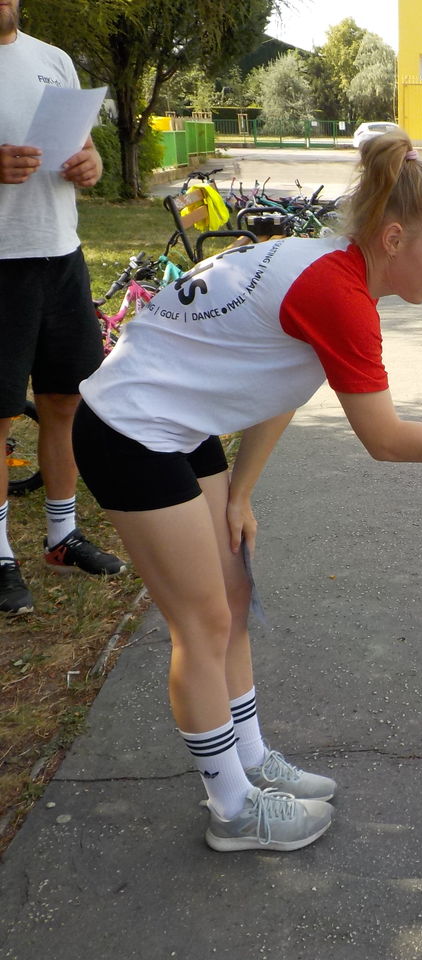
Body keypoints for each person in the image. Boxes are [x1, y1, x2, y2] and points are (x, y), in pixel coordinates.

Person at [72, 130, 422, 853]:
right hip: (130, 430)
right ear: (393, 237)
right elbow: (386, 439)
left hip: (181, 423)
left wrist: (241, 492)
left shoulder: (331, 267)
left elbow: (281, 382)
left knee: (234, 596)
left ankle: (249, 756)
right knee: (202, 623)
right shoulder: (339, 293)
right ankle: (231, 809)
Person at [0, 0, 125, 616]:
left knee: (64, 401)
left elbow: (84, 145)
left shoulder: (53, 60)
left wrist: (92, 162)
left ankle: (61, 535)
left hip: (61, 255)